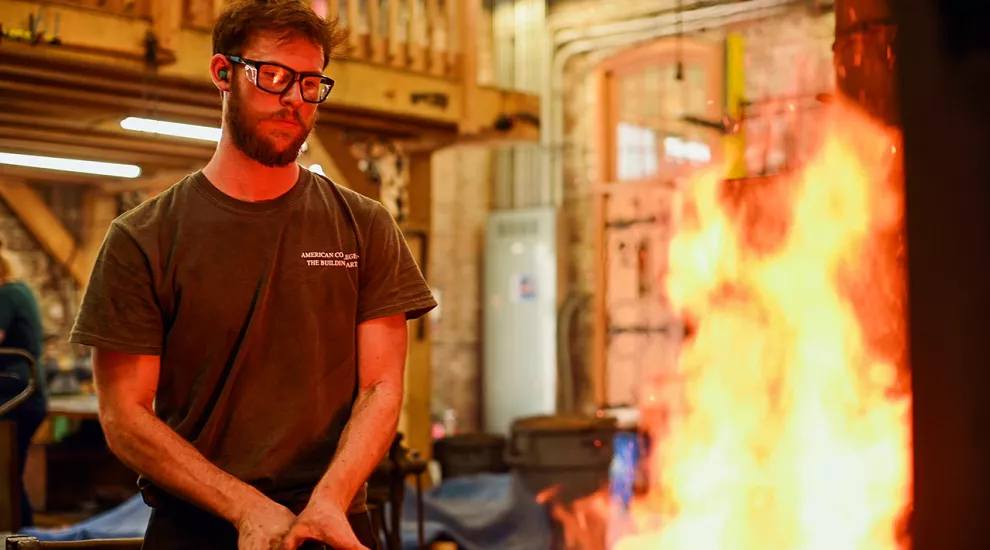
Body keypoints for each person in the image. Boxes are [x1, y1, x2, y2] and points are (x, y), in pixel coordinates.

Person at [68, 1, 437, 549]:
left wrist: (329, 500)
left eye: (311, 83)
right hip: (196, 527)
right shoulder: (141, 237)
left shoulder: (364, 225)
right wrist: (244, 508)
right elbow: (123, 414)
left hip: (331, 525)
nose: (293, 98)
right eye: (274, 76)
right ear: (223, 73)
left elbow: (382, 386)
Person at [0, 239, 47, 529]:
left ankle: (17, 533)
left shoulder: (6, 294)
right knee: (8, 473)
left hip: (14, 393)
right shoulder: (20, 290)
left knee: (5, 474)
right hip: (26, 392)